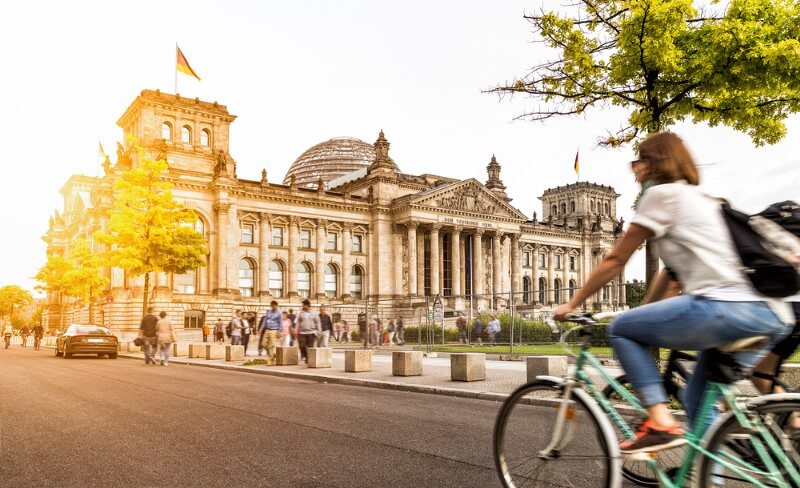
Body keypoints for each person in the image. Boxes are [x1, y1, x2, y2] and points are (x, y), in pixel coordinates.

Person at [553, 132, 791, 454]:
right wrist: (650, 311)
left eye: (639, 160)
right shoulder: (707, 201)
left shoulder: (660, 195)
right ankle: (710, 477)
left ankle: (660, 421)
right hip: (771, 314)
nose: (633, 168)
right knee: (697, 400)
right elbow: (674, 273)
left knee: (621, 328)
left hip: (723, 308)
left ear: (655, 163)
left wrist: (572, 303)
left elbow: (615, 259)